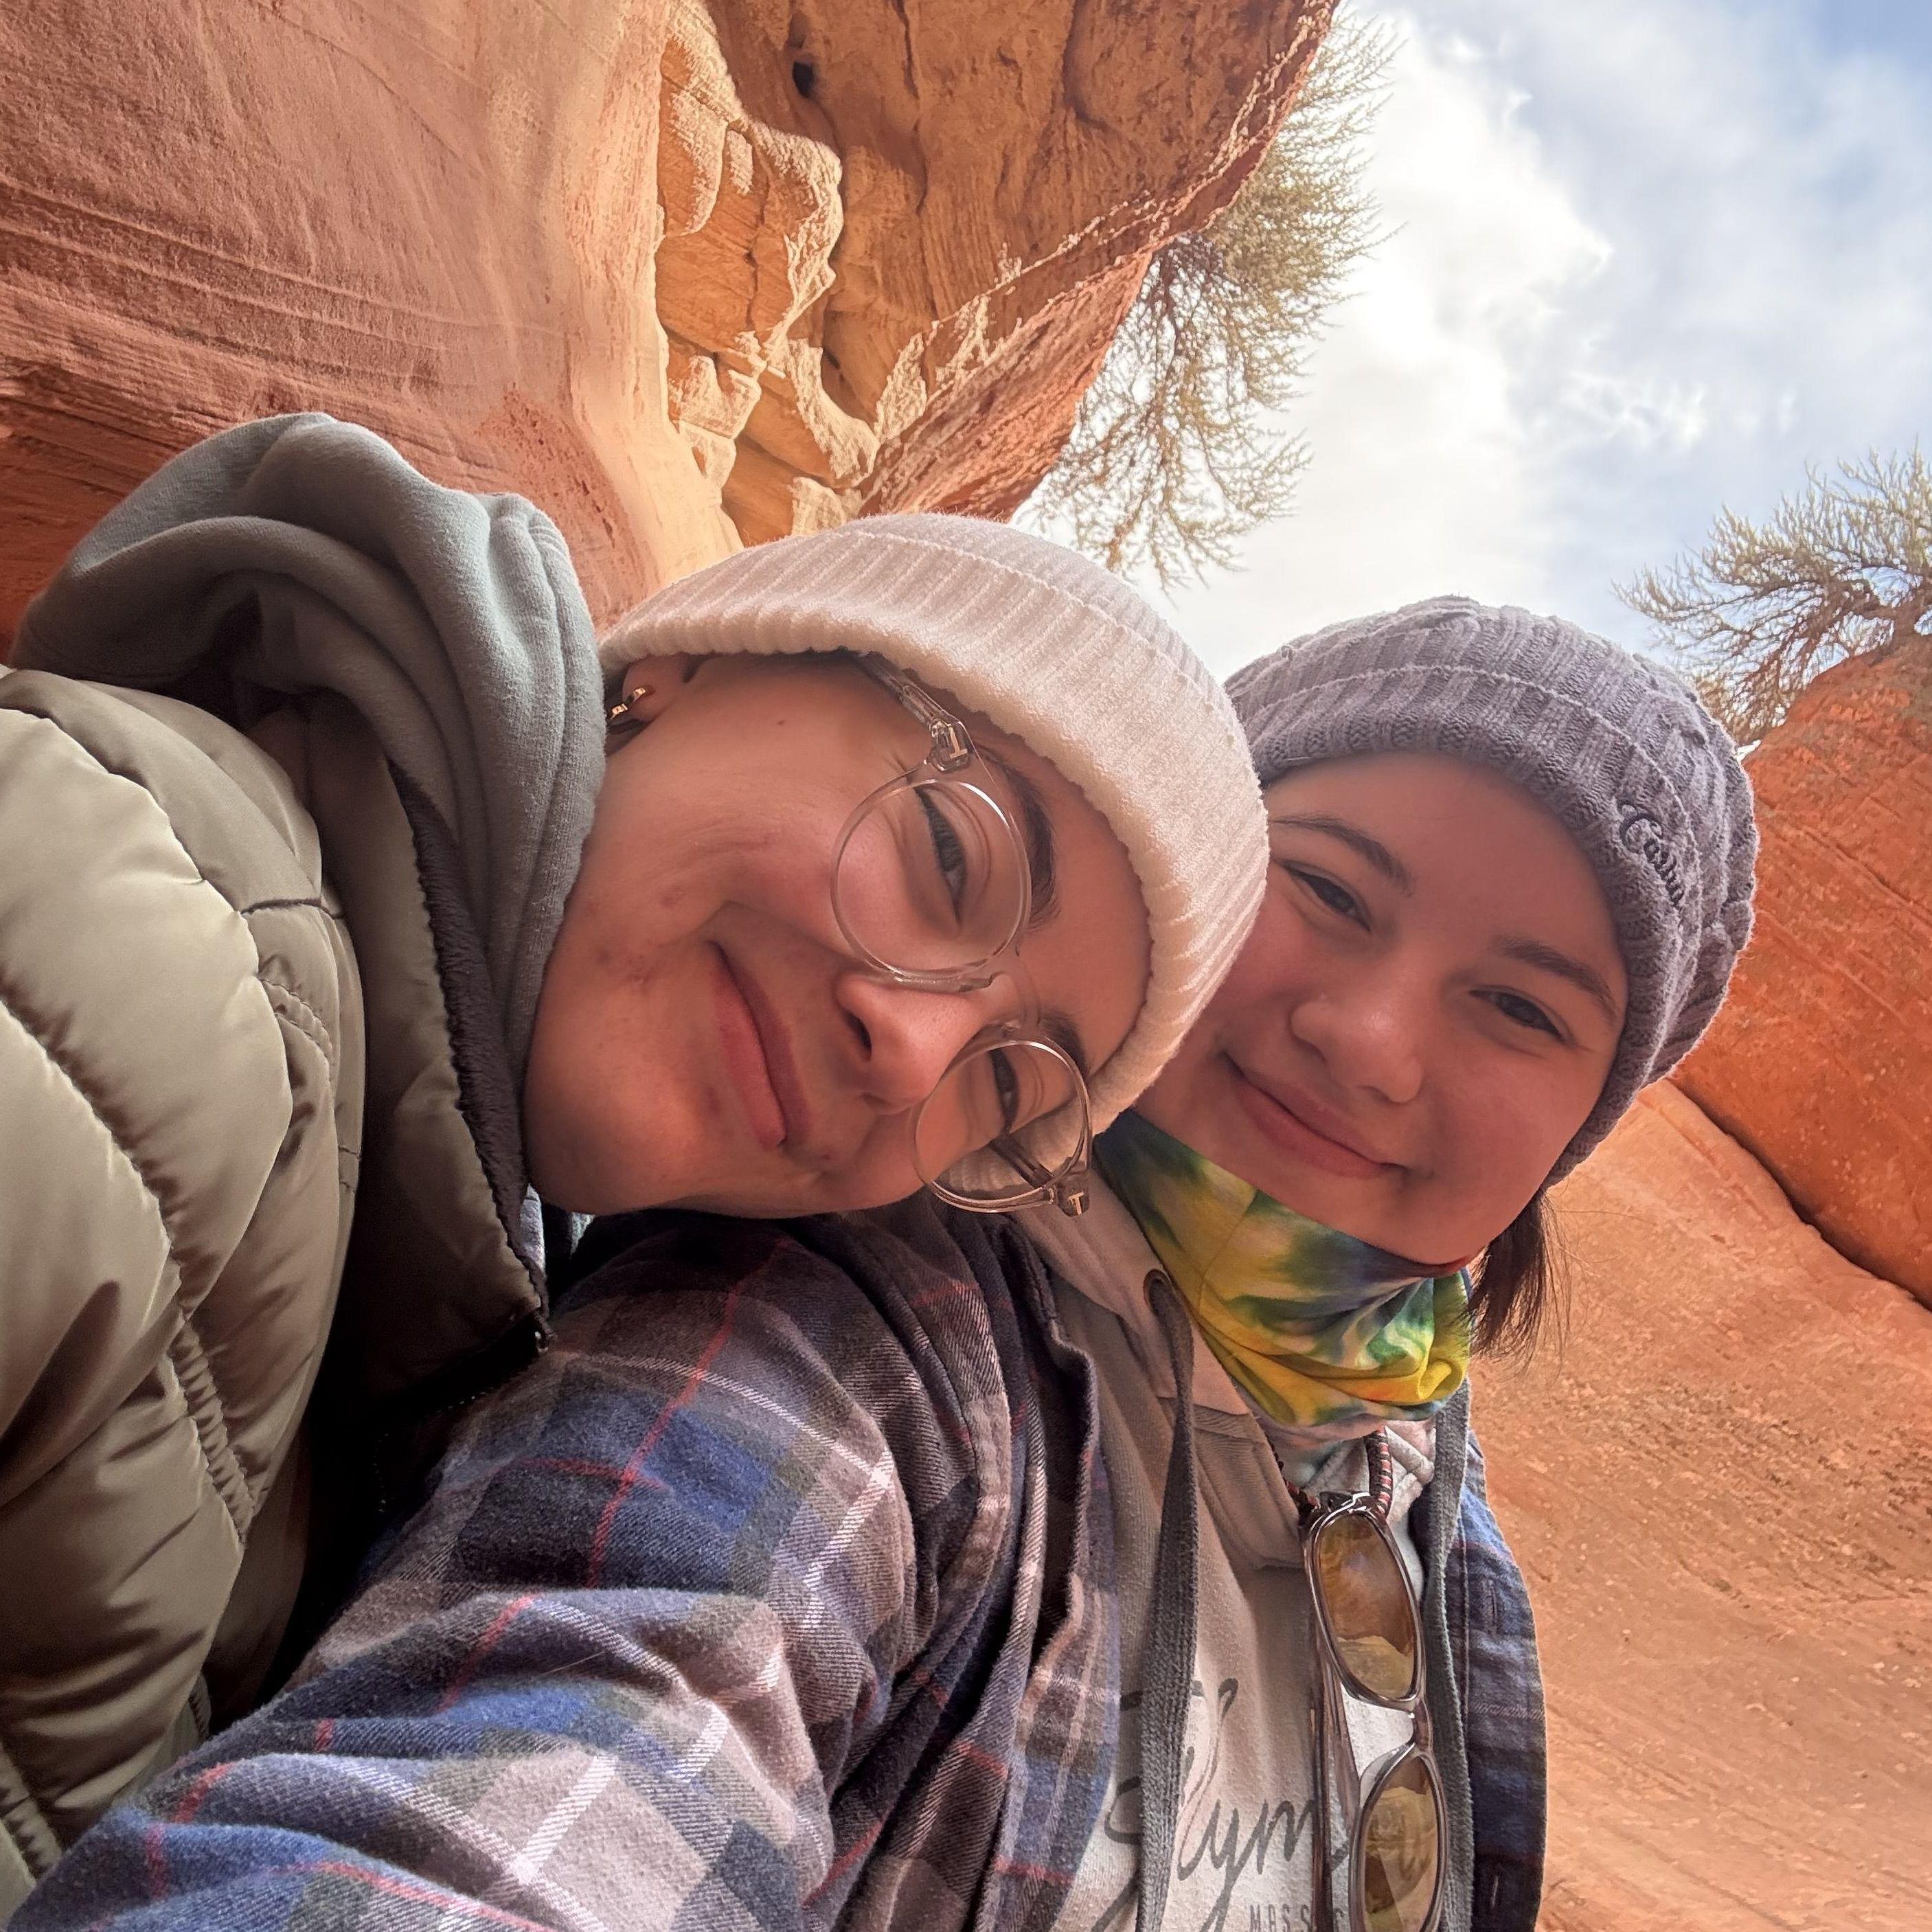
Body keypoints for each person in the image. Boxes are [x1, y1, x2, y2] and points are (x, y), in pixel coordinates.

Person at [10, 600, 1755, 1932]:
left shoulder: (1430, 1504)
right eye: (1334, 891)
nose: (1369, 1038)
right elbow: (559, 1766)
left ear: (1575, 1133)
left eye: (1522, 1008)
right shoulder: (860, 1314)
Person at [0, 414, 1267, 1909]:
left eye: (1007, 1085)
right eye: (946, 859)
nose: (916, 1057)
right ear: (689, 665)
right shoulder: (133, 954)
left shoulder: (436, 1259)